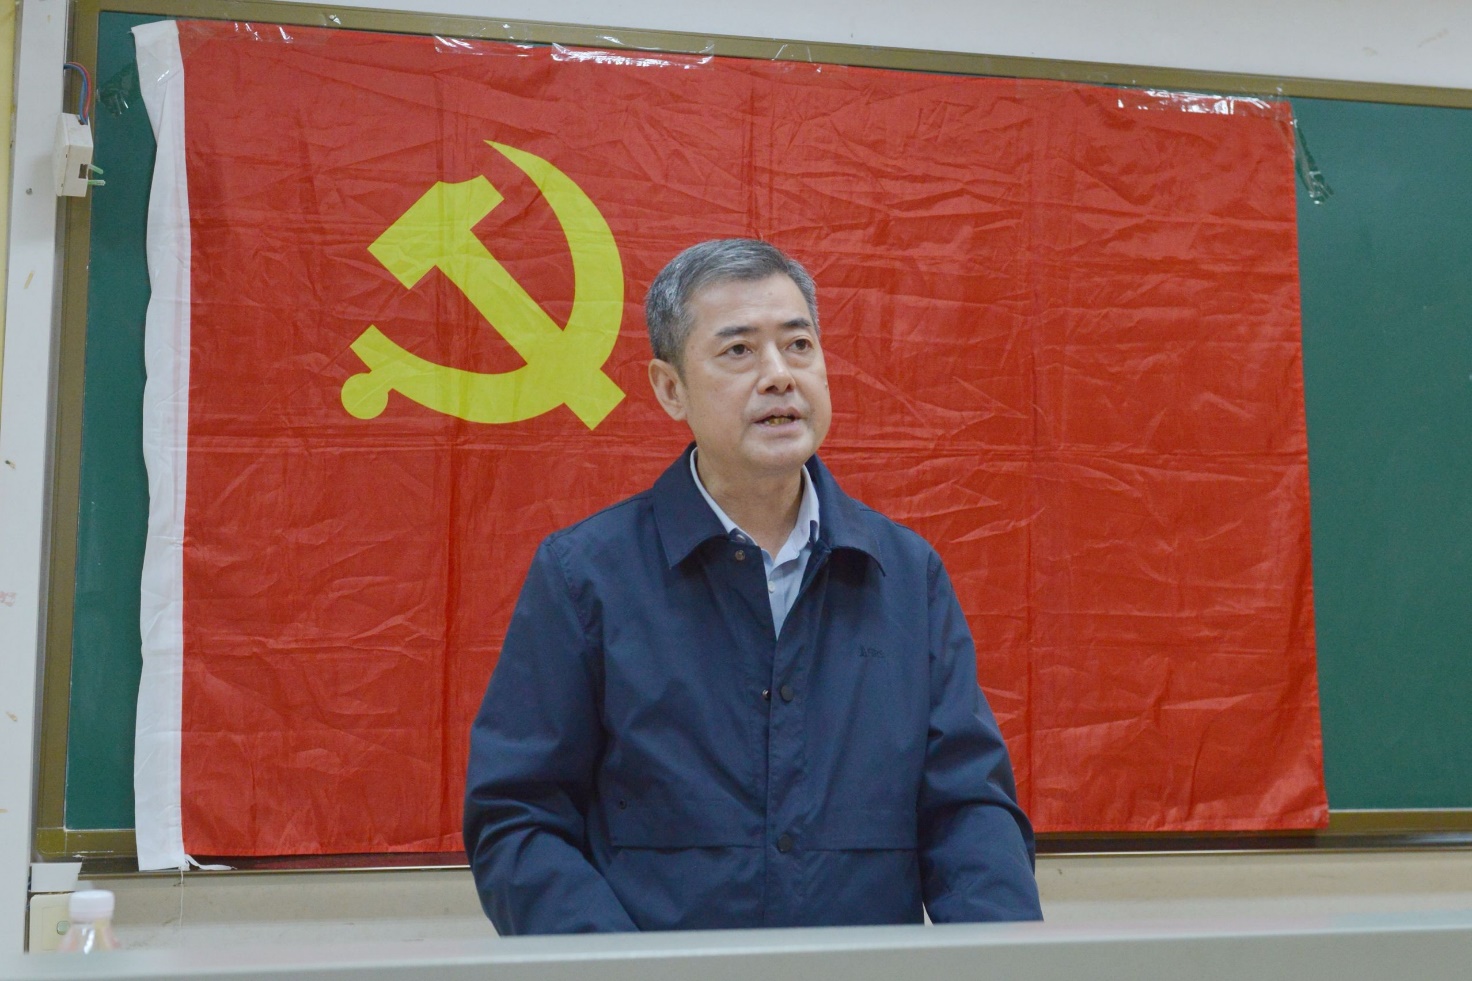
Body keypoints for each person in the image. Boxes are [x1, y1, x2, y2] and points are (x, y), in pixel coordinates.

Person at [464, 239, 1043, 934]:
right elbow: (518, 819)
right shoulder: (585, 575)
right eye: (739, 350)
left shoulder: (903, 573)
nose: (779, 376)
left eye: (798, 345)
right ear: (669, 389)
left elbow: (968, 811)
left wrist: (1000, 960)